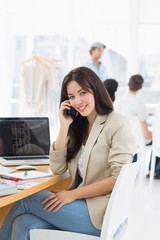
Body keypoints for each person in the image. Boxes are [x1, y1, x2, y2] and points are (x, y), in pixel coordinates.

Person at [0, 67, 136, 240]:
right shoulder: (79, 126)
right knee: (22, 223)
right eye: (71, 97)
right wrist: (64, 126)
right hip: (79, 205)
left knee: (26, 198)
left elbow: (117, 179)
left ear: (96, 90)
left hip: (100, 213)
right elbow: (58, 168)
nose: (77, 101)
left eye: (83, 93)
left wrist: (72, 194)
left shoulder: (117, 123)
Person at [114, 74, 152, 162]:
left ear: (128, 84)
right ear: (141, 87)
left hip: (120, 140)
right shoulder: (139, 104)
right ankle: (156, 171)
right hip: (136, 142)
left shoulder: (118, 102)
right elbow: (146, 134)